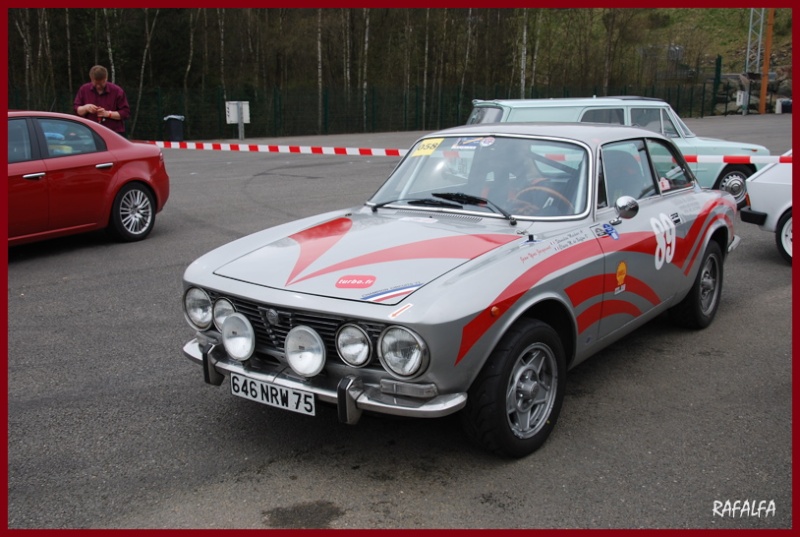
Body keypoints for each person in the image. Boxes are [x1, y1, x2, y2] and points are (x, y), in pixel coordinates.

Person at [73, 65, 130, 137]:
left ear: (106, 78)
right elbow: (76, 109)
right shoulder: (84, 89)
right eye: (96, 83)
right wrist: (86, 108)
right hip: (89, 133)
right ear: (91, 79)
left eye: (101, 83)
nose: (98, 86)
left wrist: (107, 114)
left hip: (113, 133)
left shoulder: (117, 91)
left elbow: (125, 113)